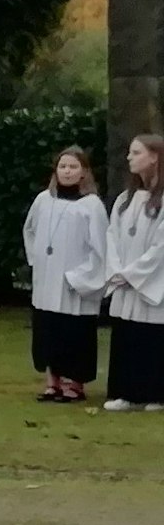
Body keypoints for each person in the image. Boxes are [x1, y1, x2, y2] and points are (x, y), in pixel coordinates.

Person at [23, 147, 107, 403]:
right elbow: (30, 231)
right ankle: (53, 382)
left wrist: (81, 277)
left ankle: (75, 385)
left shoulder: (91, 206)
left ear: (83, 172)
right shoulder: (43, 201)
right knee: (48, 330)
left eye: (73, 167)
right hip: (48, 279)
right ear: (55, 170)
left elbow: (101, 247)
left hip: (74, 282)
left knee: (74, 332)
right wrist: (38, 260)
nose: (67, 172)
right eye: (63, 167)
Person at [104, 134, 164, 412]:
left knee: (151, 337)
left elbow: (160, 246)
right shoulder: (124, 200)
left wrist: (134, 273)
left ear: (154, 157)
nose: (129, 157)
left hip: (150, 282)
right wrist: (117, 270)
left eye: (136, 152)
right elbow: (111, 237)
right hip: (126, 282)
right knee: (126, 335)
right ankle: (125, 392)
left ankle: (155, 394)